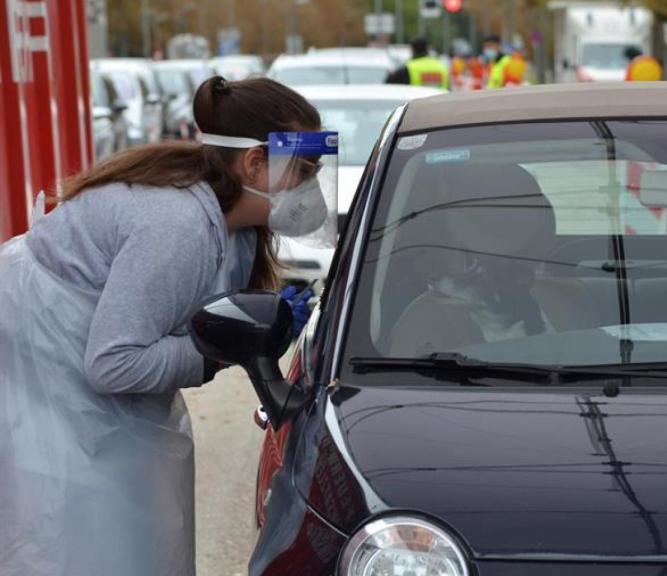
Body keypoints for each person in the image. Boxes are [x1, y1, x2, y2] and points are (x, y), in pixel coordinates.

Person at [0, 76, 330, 575]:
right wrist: (218, 353)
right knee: (71, 541)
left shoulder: (233, 229)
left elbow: (195, 323)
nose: (309, 187)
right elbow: (113, 364)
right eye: (301, 170)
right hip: (41, 375)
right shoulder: (177, 225)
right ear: (255, 163)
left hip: (75, 380)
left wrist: (261, 327)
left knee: (133, 532)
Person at [386, 37, 450, 90]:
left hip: (417, 104)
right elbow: (448, 90)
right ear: (427, 49)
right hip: (439, 104)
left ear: (413, 50)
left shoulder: (409, 68)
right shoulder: (442, 67)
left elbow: (389, 84)